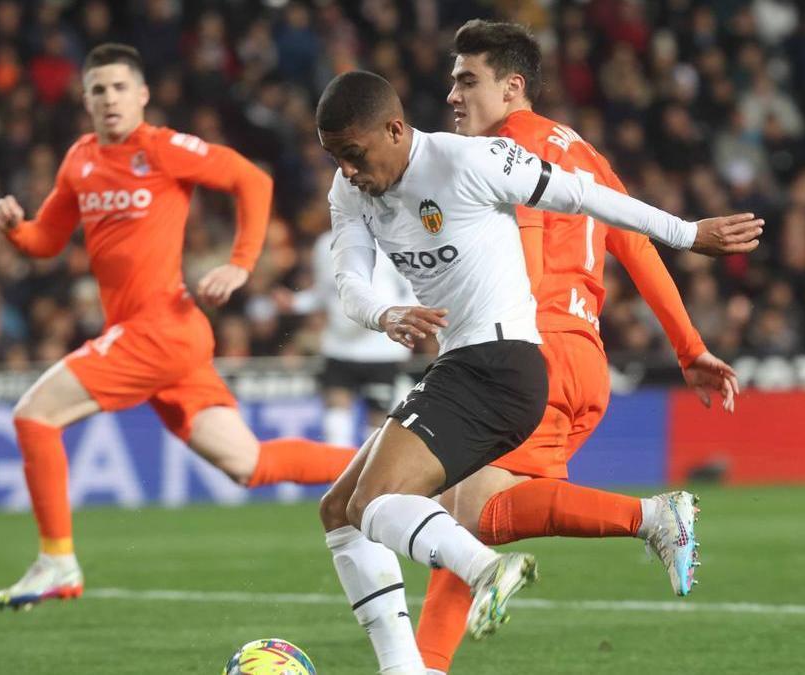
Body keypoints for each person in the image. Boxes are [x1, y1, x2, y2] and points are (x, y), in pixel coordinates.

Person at [315, 70, 760, 674]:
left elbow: (584, 195)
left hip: (506, 362)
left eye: (354, 154)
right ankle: (412, 667)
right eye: (336, 158)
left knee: (387, 503)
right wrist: (386, 313)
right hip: (469, 364)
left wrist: (689, 233)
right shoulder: (351, 193)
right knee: (343, 510)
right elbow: (349, 285)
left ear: (395, 128)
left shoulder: (476, 158)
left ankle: (490, 571)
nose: (347, 170)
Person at [0, 44, 356, 610]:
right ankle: (386, 464)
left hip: (159, 329)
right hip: (157, 340)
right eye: (98, 90)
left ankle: (57, 560)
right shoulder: (79, 161)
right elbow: (48, 240)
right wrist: (16, 229)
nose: (109, 98)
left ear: (142, 95)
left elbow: (251, 180)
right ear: (85, 100)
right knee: (248, 463)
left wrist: (240, 261)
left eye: (118, 87)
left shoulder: (161, 149)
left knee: (34, 416)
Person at [296, 227, 415, 447]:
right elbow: (324, 291)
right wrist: (296, 303)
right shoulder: (326, 243)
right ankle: (335, 474)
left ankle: (369, 478)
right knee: (336, 417)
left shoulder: (395, 238)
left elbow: (413, 289)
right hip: (339, 345)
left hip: (381, 349)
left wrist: (402, 319)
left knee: (377, 421)